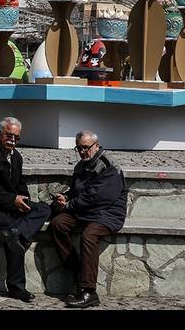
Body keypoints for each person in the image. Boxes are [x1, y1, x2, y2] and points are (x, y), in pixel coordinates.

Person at [0, 116, 51, 303]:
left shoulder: (16, 156)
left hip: (11, 205)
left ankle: (19, 232)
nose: (13, 140)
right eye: (9, 135)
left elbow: (19, 184)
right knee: (12, 236)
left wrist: (23, 201)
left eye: (16, 137)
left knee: (44, 209)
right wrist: (12, 199)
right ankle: (16, 288)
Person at [50, 130, 128, 308]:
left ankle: (88, 291)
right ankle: (77, 268)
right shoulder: (81, 165)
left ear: (96, 146)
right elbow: (78, 192)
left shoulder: (109, 166)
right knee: (57, 224)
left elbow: (96, 197)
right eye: (78, 148)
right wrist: (66, 197)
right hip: (85, 211)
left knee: (89, 236)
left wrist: (69, 205)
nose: (82, 151)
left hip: (108, 213)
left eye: (85, 147)